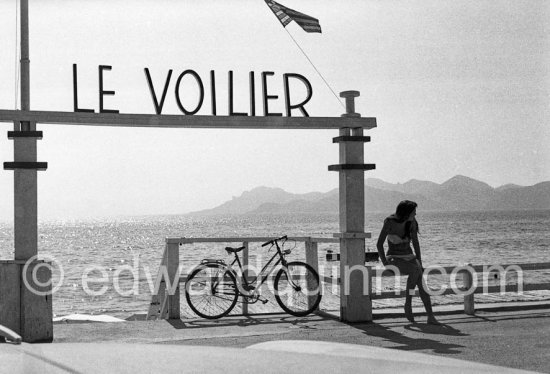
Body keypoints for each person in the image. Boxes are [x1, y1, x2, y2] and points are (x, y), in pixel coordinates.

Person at [376, 200, 440, 325]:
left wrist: (419, 262)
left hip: (409, 257)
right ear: (406, 212)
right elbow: (379, 244)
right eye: (413, 212)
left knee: (421, 282)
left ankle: (428, 315)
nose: (415, 214)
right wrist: (384, 262)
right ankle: (409, 304)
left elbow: (415, 243)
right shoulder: (390, 222)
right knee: (416, 272)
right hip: (393, 257)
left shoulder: (412, 223)